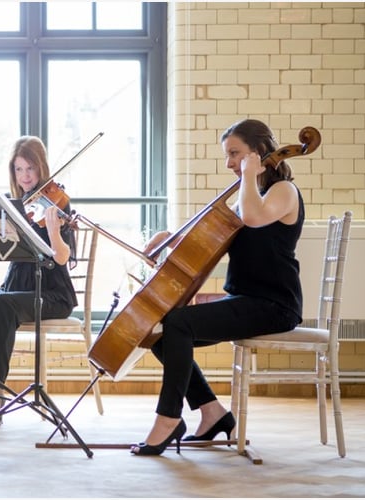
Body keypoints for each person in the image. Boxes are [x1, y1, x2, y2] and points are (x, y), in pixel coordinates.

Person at [131, 118, 305, 456]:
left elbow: (254, 217)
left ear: (258, 153)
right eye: (228, 156)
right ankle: (213, 414)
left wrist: (250, 176)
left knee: (179, 322)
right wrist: (170, 240)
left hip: (274, 304)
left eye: (235, 154)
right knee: (163, 332)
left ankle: (168, 418)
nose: (229, 164)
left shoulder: (282, 191)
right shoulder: (248, 195)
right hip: (246, 299)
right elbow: (210, 245)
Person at [0, 135, 77, 428]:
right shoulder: (13, 205)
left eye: (30, 169)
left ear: (42, 168)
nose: (25, 177)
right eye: (19, 170)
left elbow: (61, 258)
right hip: (15, 287)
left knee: (2, 304)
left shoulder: (57, 204)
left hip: (51, 294)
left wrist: (55, 230)